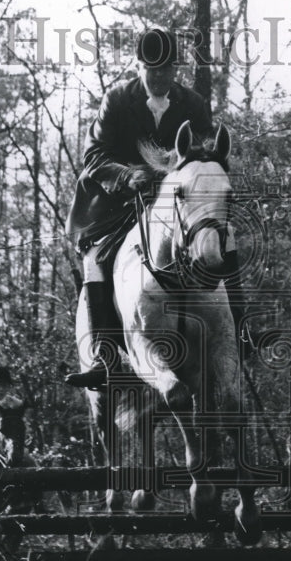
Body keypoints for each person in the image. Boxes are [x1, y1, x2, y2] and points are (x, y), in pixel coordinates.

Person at [64, 27, 213, 389]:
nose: (160, 78)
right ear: (139, 67)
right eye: (153, 70)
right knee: (96, 259)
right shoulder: (117, 99)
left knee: (220, 238)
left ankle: (240, 332)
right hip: (120, 204)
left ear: (176, 69)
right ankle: (105, 355)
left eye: (167, 70)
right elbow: (93, 157)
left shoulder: (193, 104)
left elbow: (206, 152)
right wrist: (127, 174)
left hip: (174, 203)